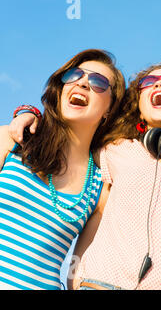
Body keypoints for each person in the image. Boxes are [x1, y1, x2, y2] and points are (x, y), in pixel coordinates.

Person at [0, 49, 126, 290]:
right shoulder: (12, 140)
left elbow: (77, 275)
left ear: (109, 109)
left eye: (98, 82)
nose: (82, 82)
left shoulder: (100, 187)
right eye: (74, 75)